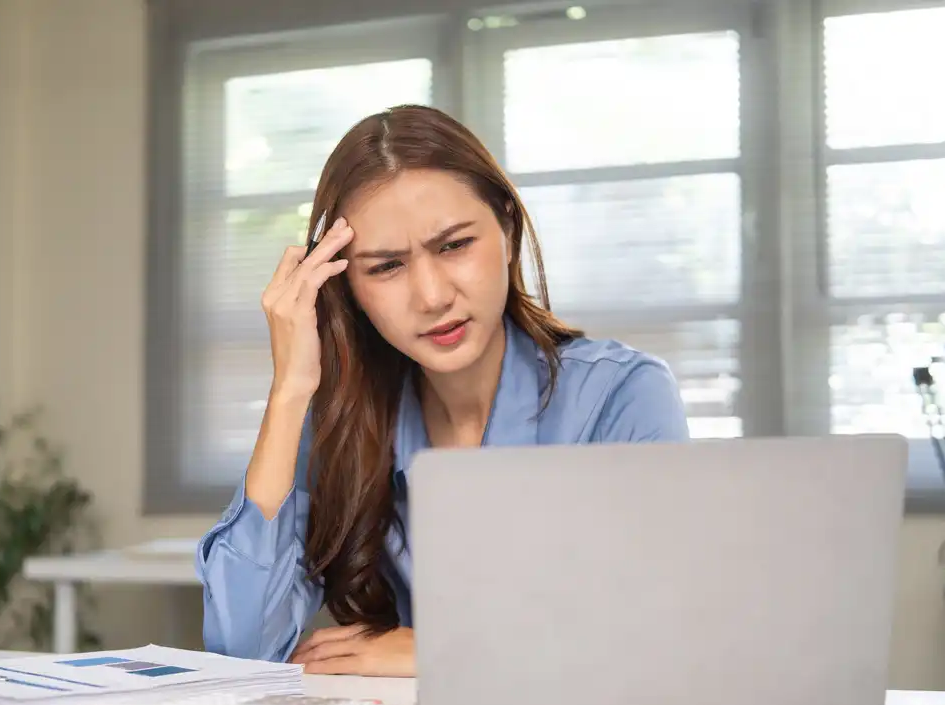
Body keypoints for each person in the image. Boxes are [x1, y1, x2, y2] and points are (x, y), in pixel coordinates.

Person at [195, 104, 690, 676]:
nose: (431, 296)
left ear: (507, 229)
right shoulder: (339, 421)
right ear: (346, 285)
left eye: (454, 246)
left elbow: (657, 635)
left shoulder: (623, 396)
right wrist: (290, 391)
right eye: (386, 267)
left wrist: (445, 649)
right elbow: (242, 650)